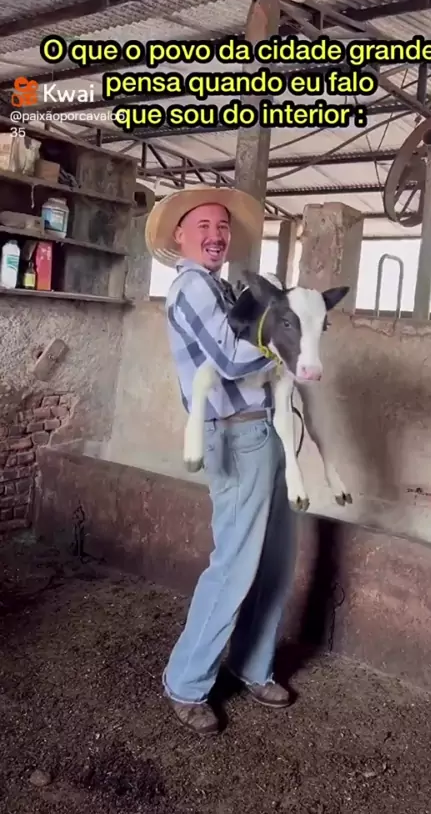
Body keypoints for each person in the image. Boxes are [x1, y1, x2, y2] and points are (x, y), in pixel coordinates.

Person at [145, 185, 296, 736]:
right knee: (233, 563)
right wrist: (286, 340)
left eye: (223, 227)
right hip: (234, 435)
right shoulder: (190, 288)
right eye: (203, 226)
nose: (215, 235)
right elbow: (231, 361)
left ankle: (251, 664)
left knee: (275, 560)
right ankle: (186, 682)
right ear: (180, 236)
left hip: (264, 429)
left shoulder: (224, 287)